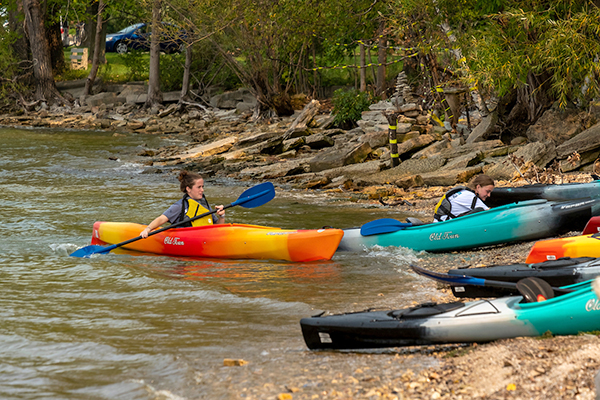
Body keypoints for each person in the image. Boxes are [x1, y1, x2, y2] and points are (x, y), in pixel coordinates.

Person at [140, 171, 225, 238]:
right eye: (199, 187)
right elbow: (161, 219)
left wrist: (222, 216)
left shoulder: (204, 205)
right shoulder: (180, 206)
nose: (202, 190)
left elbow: (217, 227)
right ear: (188, 189)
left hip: (205, 238)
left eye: (202, 187)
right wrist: (148, 229)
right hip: (185, 239)